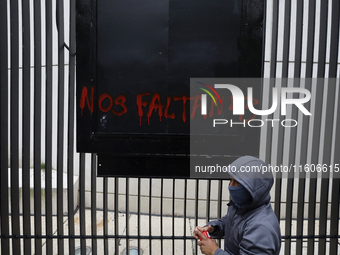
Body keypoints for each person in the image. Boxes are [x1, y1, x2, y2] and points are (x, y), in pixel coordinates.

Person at [193, 156, 281, 255]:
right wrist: (214, 228)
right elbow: (231, 221)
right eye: (231, 180)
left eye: (238, 183)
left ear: (254, 188)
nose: (231, 186)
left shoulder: (261, 227)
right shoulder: (241, 205)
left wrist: (215, 251)